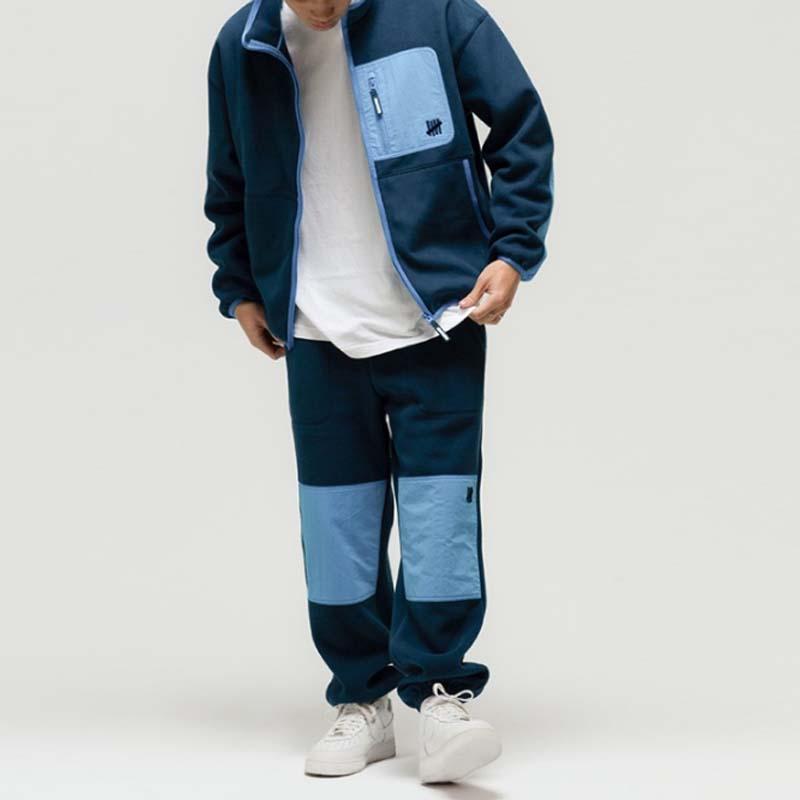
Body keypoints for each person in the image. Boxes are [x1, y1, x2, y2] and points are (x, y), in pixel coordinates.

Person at [204, 0, 553, 783]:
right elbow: (228, 177)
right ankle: (362, 700)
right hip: (315, 328)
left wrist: (512, 252)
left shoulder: (438, 14)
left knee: (440, 524)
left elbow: (522, 127)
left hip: (437, 317)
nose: (326, 7)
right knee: (337, 532)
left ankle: (440, 696)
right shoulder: (243, 44)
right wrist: (242, 287)